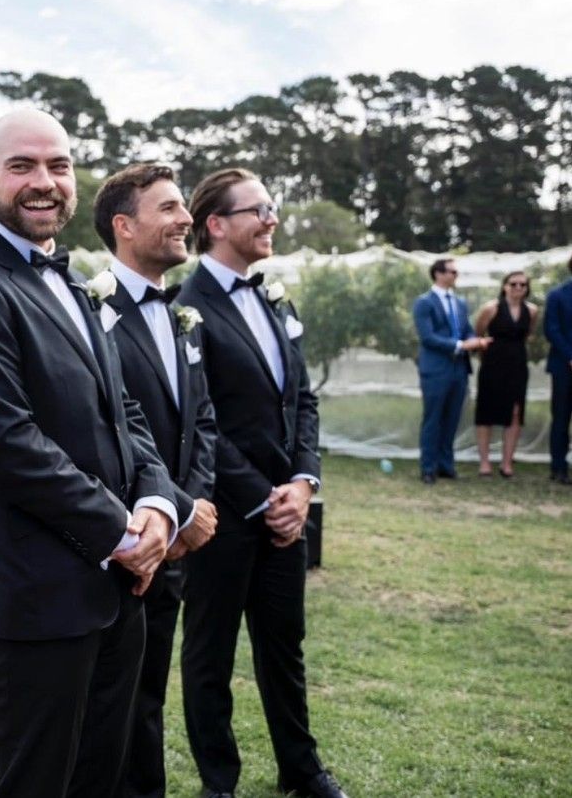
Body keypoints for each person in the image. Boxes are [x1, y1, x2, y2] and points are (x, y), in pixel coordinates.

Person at [0, 109, 181, 798]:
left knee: (102, 777)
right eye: (22, 166)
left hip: (120, 587)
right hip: (39, 595)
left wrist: (158, 503)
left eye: (58, 166)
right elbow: (3, 441)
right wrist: (119, 531)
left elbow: (122, 409)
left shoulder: (73, 281)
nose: (44, 182)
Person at [178, 167, 349, 798]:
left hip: (288, 512)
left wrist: (302, 485)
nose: (272, 219)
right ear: (217, 225)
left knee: (285, 649)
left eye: (272, 208)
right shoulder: (185, 310)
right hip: (224, 516)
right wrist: (260, 497)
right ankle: (218, 782)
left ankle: (301, 771)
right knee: (209, 654)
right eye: (260, 209)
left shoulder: (278, 299)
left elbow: (303, 399)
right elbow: (199, 422)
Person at [93, 162, 220, 798]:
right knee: (113, 707)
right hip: (123, 541)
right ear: (124, 226)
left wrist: (190, 506)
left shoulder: (181, 314)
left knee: (151, 696)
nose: (185, 219)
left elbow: (201, 417)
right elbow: (97, 429)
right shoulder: (91, 312)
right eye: (168, 208)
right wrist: (164, 512)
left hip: (175, 542)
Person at [412, 258, 490, 484]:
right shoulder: (424, 303)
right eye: (452, 272)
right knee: (433, 418)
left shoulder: (460, 303)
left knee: (452, 418)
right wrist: (459, 345)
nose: (456, 276)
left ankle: (446, 465)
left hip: (459, 369)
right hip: (436, 369)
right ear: (438, 273)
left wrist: (476, 341)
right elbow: (428, 337)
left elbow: (466, 330)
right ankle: (428, 467)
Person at [473, 271, 538, 478]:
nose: (518, 288)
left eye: (523, 284)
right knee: (487, 411)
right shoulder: (491, 308)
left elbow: (528, 334)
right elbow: (478, 334)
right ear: (505, 286)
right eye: (514, 284)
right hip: (493, 365)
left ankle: (507, 462)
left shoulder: (532, 310)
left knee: (516, 412)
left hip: (518, 365)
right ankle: (484, 462)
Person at [545, 253, 572, 484]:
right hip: (563, 368)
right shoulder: (557, 295)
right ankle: (558, 467)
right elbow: (551, 330)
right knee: (561, 418)